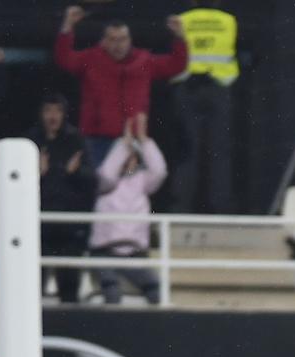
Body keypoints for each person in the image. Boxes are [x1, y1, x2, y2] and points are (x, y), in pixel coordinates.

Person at [54, 7, 189, 165]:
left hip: (132, 140)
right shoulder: (91, 59)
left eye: (122, 39)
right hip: (96, 139)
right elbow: (64, 59)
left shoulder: (144, 61)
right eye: (112, 39)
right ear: (103, 41)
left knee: (131, 185)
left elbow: (176, 65)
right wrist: (67, 26)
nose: (118, 45)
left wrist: (180, 37)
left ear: (130, 40)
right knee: (98, 185)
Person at [89, 124, 167, 305]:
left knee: (156, 292)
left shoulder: (143, 182)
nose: (128, 161)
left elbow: (159, 171)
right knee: (112, 293)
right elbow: (107, 173)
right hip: (105, 252)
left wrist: (143, 140)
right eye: (124, 157)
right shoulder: (105, 184)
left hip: (134, 253)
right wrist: (123, 145)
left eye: (132, 157)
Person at [172, 4, 239, 213]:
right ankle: (221, 206)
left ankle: (181, 206)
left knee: (187, 151)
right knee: (220, 151)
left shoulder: (183, 19)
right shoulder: (228, 20)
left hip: (189, 87)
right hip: (219, 87)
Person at [36, 95, 96, 304]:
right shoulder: (31, 141)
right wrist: (35, 173)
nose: (52, 116)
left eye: (57, 111)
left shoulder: (76, 140)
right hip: (39, 223)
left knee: (69, 287)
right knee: (33, 285)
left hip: (69, 224)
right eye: (48, 110)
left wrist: (74, 172)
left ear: (64, 114)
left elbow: (92, 180)